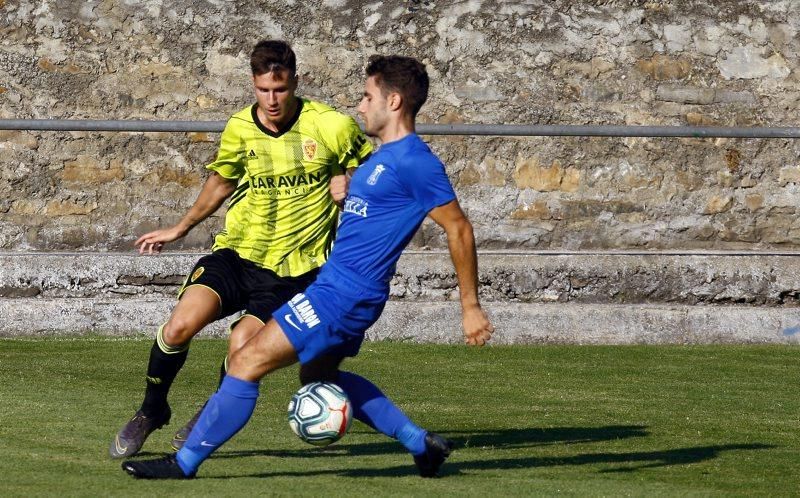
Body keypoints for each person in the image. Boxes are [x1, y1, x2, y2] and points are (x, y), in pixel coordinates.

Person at [121, 54, 494, 479]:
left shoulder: (415, 161)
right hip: (344, 292)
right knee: (319, 374)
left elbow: (459, 229)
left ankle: (183, 462)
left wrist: (470, 307)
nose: (359, 105)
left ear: (393, 102)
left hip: (340, 296)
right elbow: (378, 212)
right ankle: (419, 443)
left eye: (367, 96)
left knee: (245, 361)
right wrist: (347, 193)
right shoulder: (382, 159)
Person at [110, 40, 373, 459]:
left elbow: (367, 174)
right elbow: (222, 181)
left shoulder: (332, 126)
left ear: (295, 83)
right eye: (264, 90)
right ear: (253, 85)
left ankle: (212, 412)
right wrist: (181, 227)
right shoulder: (239, 128)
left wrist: (351, 187)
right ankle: (151, 410)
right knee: (178, 327)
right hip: (236, 254)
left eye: (281, 89)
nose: (272, 100)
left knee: (241, 351)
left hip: (294, 271)